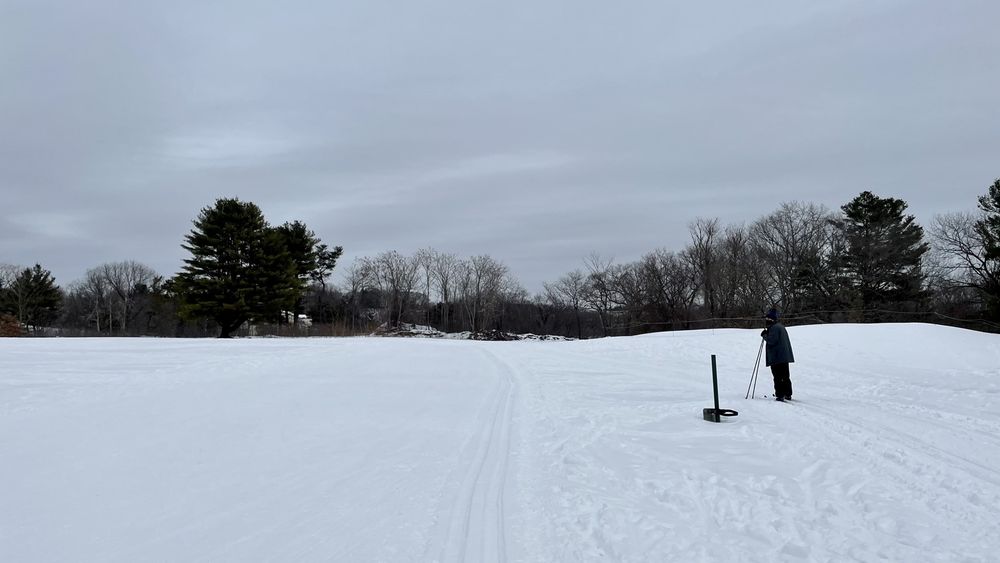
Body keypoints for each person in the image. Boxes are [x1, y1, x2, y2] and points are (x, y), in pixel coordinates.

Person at [761, 308, 794, 401]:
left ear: (771, 319)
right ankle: (788, 394)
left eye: (767, 319)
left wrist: (764, 335)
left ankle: (780, 394)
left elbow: (772, 341)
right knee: (785, 376)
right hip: (784, 356)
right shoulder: (780, 326)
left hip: (777, 356)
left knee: (778, 376)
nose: (766, 320)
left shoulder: (774, 328)